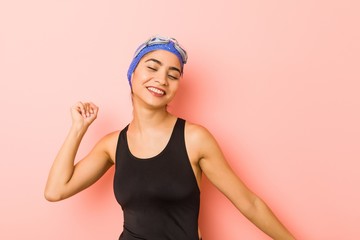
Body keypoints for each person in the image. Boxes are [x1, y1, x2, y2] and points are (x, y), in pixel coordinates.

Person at [44, 36, 295, 240]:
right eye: (152, 67)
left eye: (173, 75)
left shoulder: (194, 139)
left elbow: (249, 203)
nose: (161, 79)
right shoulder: (112, 145)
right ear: (132, 74)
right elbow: (55, 191)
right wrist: (79, 129)